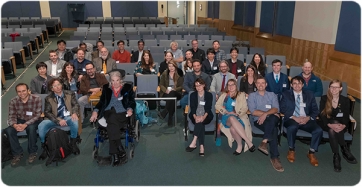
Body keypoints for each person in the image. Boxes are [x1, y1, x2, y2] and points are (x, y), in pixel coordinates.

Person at [90, 70, 135, 166]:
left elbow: (132, 101)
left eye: (117, 80)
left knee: (111, 124)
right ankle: (119, 151)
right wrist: (95, 111)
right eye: (113, 80)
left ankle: (116, 154)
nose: (115, 83)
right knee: (111, 116)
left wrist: (130, 109)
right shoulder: (106, 89)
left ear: (121, 80)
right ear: (110, 81)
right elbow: (101, 102)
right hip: (108, 112)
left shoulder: (127, 88)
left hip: (122, 113)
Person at [280, 76, 323, 167]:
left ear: (303, 85)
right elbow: (282, 108)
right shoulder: (285, 94)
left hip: (306, 119)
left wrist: (308, 117)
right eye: (294, 83)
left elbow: (315, 110)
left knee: (318, 130)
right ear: (291, 85)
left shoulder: (310, 94)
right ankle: (291, 150)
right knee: (292, 127)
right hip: (292, 119)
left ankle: (311, 152)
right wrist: (294, 117)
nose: (297, 85)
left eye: (299, 83)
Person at [247, 75, 284, 172]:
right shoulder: (252, 96)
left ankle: (264, 142)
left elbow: (276, 109)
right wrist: (266, 114)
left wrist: (265, 114)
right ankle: (274, 158)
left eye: (262, 83)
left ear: (266, 84)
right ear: (255, 84)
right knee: (274, 129)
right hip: (258, 121)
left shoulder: (272, 95)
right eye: (258, 83)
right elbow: (253, 111)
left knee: (272, 118)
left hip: (270, 118)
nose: (260, 85)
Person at [319, 80, 357, 172]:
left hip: (341, 124)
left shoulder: (345, 100)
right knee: (332, 128)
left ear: (341, 88)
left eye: (336, 87)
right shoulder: (324, 98)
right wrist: (329, 124)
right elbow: (322, 115)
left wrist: (344, 125)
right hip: (326, 123)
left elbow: (346, 115)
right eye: (332, 87)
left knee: (334, 129)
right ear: (329, 88)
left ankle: (336, 155)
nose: (334, 89)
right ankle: (344, 149)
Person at [38, 78, 80, 156]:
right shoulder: (48, 98)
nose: (57, 87)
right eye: (55, 86)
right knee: (41, 125)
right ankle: (44, 145)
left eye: (59, 84)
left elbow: (75, 104)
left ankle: (73, 143)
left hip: (68, 116)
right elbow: (47, 112)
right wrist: (58, 120)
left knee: (74, 121)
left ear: (62, 85)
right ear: (51, 88)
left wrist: (74, 113)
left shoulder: (70, 94)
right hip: (55, 118)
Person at [5, 83, 42, 166]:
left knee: (31, 129)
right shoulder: (13, 101)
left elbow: (37, 115)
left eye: (24, 91)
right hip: (19, 120)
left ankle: (32, 152)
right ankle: (17, 153)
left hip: (33, 120)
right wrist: (14, 125)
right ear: (17, 92)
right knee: (9, 130)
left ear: (28, 90)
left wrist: (25, 124)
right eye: (19, 92)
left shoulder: (36, 99)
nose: (22, 93)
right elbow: (12, 115)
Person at [215, 79, 255, 155]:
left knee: (233, 129)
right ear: (227, 86)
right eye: (229, 85)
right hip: (226, 117)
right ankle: (248, 142)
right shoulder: (224, 95)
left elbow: (245, 108)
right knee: (231, 118)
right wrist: (225, 111)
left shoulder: (241, 95)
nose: (230, 86)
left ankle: (239, 146)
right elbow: (217, 105)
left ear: (235, 85)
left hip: (238, 117)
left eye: (232, 84)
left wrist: (237, 113)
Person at [185, 78, 214, 156]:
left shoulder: (209, 95)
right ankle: (201, 147)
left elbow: (208, 108)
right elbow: (193, 107)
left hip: (206, 115)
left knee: (201, 122)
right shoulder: (193, 95)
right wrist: (195, 117)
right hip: (195, 114)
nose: (198, 87)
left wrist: (203, 117)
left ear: (204, 85)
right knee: (200, 123)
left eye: (200, 85)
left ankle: (194, 142)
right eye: (196, 86)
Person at [158, 61, 184, 127]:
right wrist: (165, 90)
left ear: (175, 66)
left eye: (172, 66)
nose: (171, 68)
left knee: (172, 93)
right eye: (169, 66)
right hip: (166, 92)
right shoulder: (165, 73)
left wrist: (174, 89)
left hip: (177, 93)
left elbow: (181, 86)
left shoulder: (179, 73)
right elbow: (161, 84)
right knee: (172, 99)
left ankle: (165, 111)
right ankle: (170, 117)